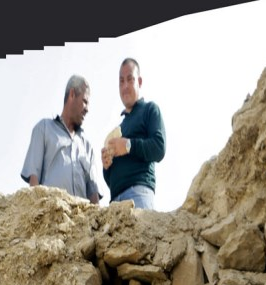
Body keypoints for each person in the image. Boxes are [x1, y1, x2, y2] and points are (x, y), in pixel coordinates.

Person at [21, 75, 103, 203]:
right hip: (52, 217)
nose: (87, 109)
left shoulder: (87, 146)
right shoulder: (43, 128)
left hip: (81, 220)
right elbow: (34, 180)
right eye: (85, 101)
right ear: (72, 94)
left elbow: (93, 191)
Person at [100, 58, 165, 209]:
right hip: (115, 203)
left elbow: (159, 148)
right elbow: (111, 180)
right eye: (121, 81)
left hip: (138, 196)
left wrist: (128, 145)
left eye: (130, 79)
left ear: (140, 82)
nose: (125, 86)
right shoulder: (120, 127)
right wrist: (106, 166)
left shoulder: (150, 110)